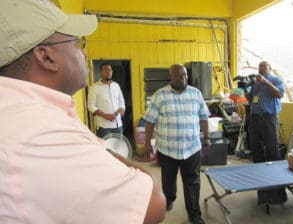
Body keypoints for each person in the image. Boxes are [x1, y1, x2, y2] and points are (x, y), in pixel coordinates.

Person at [0, 1, 166, 224]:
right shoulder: (42, 133)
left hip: (116, 120)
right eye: (77, 42)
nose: (84, 51)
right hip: (104, 125)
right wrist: (100, 150)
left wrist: (117, 115)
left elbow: (121, 102)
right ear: (46, 56)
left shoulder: (17, 111)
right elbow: (152, 205)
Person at [143, 64, 210, 224]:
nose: (183, 78)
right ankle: (170, 198)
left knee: (192, 181)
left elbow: (203, 116)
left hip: (191, 148)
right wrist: (147, 144)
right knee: (168, 179)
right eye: (179, 76)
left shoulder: (196, 94)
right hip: (167, 149)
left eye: (185, 75)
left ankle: (194, 215)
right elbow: (150, 121)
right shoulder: (160, 95)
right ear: (171, 77)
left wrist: (207, 137)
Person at [247, 61, 287, 205]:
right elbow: (251, 100)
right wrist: (245, 90)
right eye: (259, 67)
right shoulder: (256, 83)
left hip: (269, 119)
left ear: (269, 68)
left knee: (272, 151)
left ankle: (277, 193)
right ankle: (262, 191)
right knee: (256, 150)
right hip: (255, 119)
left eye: (264, 67)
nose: (261, 69)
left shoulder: (275, 79)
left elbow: (279, 94)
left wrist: (266, 82)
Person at [88, 63, 126, 138]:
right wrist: (106, 116)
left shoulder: (116, 85)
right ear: (101, 72)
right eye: (105, 70)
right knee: (104, 148)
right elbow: (90, 106)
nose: (108, 72)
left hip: (118, 125)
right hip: (103, 127)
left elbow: (121, 103)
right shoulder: (94, 87)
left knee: (118, 147)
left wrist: (121, 111)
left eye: (110, 70)